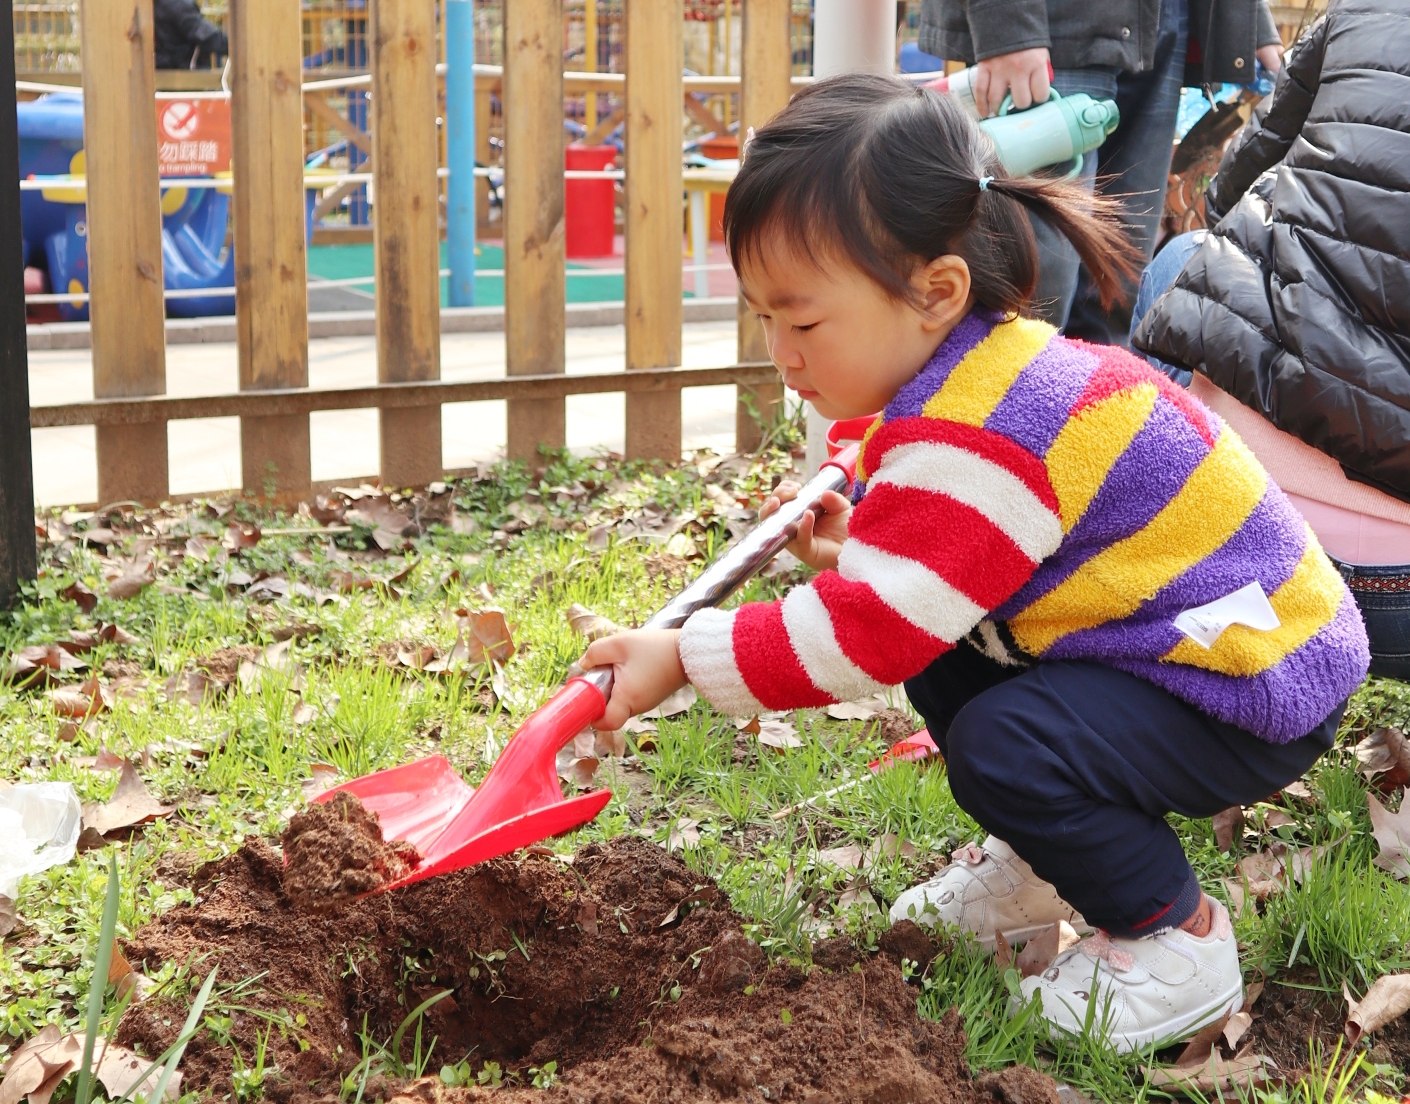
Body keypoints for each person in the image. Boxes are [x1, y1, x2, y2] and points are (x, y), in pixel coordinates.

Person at [578, 73, 1369, 1053]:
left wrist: (686, 658)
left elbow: (863, 633)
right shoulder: (977, 376)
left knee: (1007, 741)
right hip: (1171, 634)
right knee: (951, 657)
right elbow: (954, 563)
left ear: (935, 292)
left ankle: (1174, 938)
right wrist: (858, 536)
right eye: (764, 319)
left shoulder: (979, 435)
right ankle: (1040, 865)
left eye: (805, 321)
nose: (780, 353)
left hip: (1246, 668)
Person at [1133, 0, 1410, 680]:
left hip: (1243, 547)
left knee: (1186, 257)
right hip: (1399, 596)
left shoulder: (1363, 13)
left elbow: (1230, 190)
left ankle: (1136, 545)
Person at [916, 0, 1285, 344]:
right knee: (1030, 303)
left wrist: (1250, 20)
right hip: (1052, 27)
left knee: (1116, 292)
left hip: (1160, 23)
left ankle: (1088, 412)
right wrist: (1008, 21)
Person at [154, 0, 228, 71]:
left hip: (161, 70)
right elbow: (205, 35)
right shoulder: (178, 4)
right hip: (184, 73)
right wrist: (234, 46)